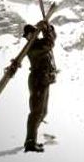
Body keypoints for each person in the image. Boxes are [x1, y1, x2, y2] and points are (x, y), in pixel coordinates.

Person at [21, 20, 57, 152]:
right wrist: (45, 30)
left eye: (32, 34)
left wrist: (48, 29)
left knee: (43, 112)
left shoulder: (37, 43)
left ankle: (32, 137)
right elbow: (49, 43)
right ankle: (30, 142)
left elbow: (51, 39)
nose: (30, 36)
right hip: (38, 80)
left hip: (44, 79)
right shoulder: (32, 47)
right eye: (29, 35)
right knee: (36, 112)